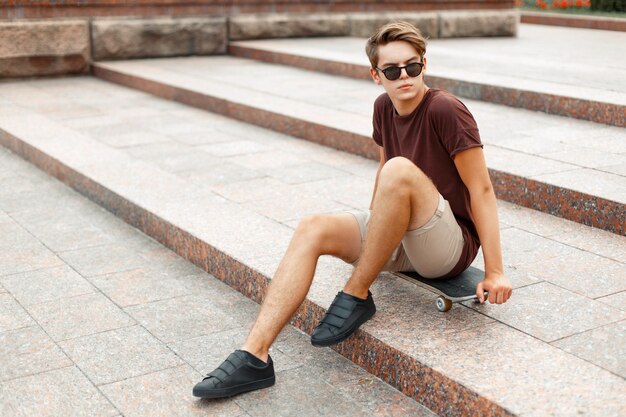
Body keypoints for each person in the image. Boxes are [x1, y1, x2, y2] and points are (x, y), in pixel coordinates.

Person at [192, 20, 512, 399]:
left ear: (424, 65)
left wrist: (495, 271)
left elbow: (482, 188)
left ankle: (356, 293)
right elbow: (383, 173)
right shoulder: (383, 108)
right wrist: (378, 234)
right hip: (407, 232)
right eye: (392, 70)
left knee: (399, 170)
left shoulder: (445, 109)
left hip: (448, 245)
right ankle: (254, 357)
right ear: (376, 76)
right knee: (314, 227)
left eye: (413, 66)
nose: (404, 76)